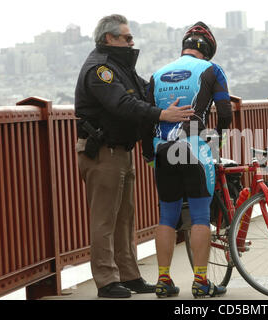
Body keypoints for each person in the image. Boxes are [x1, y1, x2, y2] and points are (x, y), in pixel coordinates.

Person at [74, 14, 194, 299]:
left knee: (125, 218)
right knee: (104, 219)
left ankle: (128, 276)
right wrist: (162, 115)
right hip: (102, 152)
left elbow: (145, 94)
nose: (132, 41)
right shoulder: (100, 69)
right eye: (127, 38)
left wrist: (174, 88)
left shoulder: (120, 67)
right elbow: (123, 104)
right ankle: (106, 281)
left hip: (121, 151)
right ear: (110, 39)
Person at [142, 21, 232, 298]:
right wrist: (216, 138)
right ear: (207, 50)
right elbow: (225, 112)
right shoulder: (211, 70)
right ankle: (201, 282)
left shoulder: (157, 75)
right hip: (194, 148)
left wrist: (149, 155)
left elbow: (146, 120)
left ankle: (163, 280)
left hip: (162, 150)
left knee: (167, 217)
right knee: (201, 217)